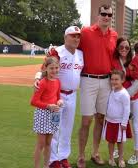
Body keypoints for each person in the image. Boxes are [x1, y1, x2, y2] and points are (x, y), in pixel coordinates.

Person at [34, 26, 83, 168]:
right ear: (65, 37)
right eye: (73, 35)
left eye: (78, 36)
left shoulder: (81, 54)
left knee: (67, 128)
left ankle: (63, 157)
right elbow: (44, 67)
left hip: (72, 95)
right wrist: (37, 78)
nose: (76, 38)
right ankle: (53, 160)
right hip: (56, 95)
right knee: (54, 128)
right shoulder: (58, 51)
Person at [77, 4, 117, 168]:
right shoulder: (85, 32)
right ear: (97, 15)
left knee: (101, 118)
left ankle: (95, 153)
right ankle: (81, 155)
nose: (106, 17)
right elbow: (73, 50)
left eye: (109, 15)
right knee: (86, 120)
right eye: (104, 14)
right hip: (88, 80)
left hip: (106, 81)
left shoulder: (114, 35)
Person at [111, 37, 138, 160]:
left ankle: (136, 155)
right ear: (117, 48)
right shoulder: (114, 60)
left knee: (135, 126)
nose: (124, 49)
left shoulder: (134, 59)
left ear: (131, 48)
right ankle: (116, 150)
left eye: (126, 47)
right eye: (121, 47)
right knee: (119, 123)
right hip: (122, 97)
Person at [31, 56, 64, 168]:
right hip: (42, 114)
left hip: (54, 114)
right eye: (51, 68)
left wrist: (59, 102)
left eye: (56, 68)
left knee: (49, 144)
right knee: (40, 144)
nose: (54, 71)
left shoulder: (58, 82)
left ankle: (46, 165)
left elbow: (58, 97)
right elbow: (34, 101)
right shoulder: (43, 83)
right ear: (45, 68)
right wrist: (48, 106)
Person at [102, 70, 131, 168]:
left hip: (119, 123)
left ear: (122, 80)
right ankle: (111, 158)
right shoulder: (112, 91)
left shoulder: (124, 94)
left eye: (116, 79)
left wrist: (124, 123)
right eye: (112, 79)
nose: (114, 81)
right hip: (110, 121)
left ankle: (121, 159)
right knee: (111, 141)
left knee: (120, 142)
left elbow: (127, 109)